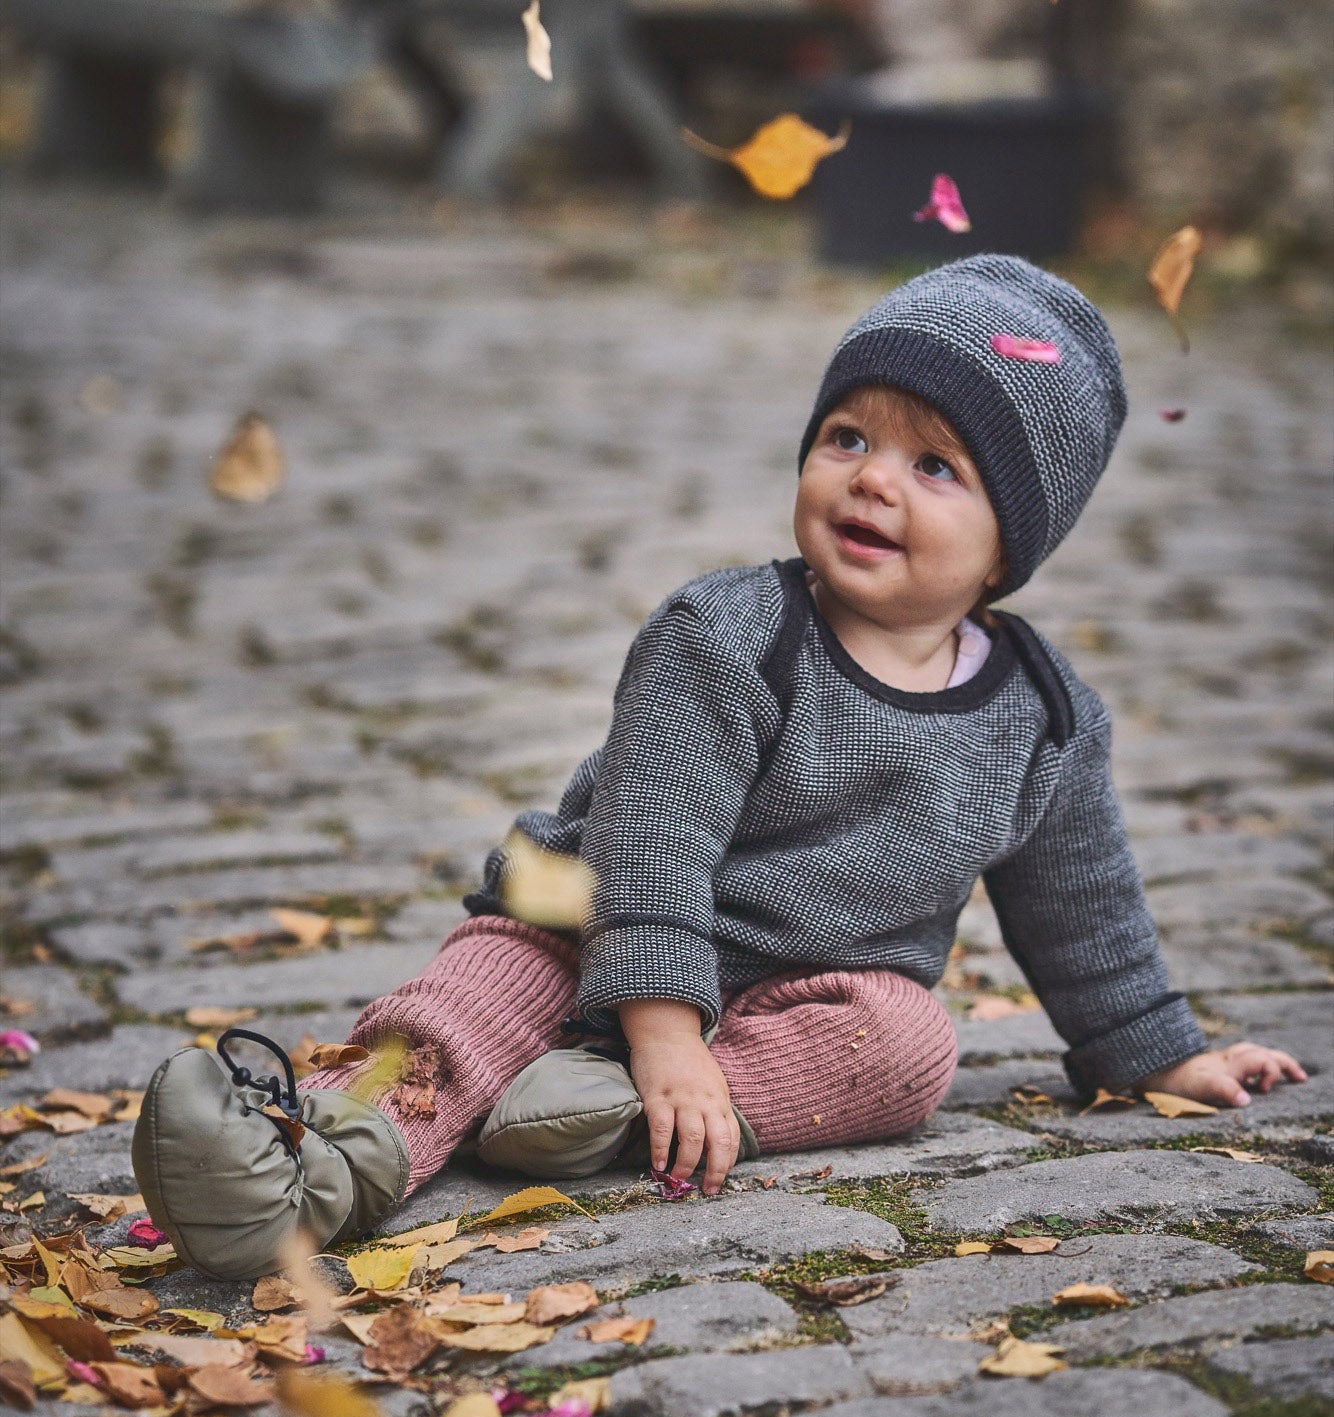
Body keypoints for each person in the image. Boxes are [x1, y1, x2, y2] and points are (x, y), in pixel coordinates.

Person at [134, 254, 1306, 1280]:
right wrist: (657, 1021)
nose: (871, 479)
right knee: (463, 1011)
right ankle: (298, 1180)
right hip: (590, 920)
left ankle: (603, 1115)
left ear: (1018, 537)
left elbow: (1081, 905)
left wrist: (1157, 1052)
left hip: (796, 991)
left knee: (908, 1049)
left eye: (934, 465)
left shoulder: (1043, 718)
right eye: (847, 437)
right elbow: (650, 835)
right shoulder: (726, 634)